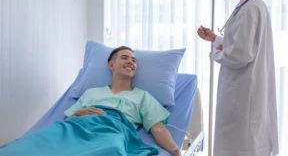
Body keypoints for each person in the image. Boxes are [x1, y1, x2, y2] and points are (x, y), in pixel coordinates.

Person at [0, 46, 181, 156]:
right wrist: (80, 112)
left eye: (134, 60)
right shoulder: (91, 92)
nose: (131, 62)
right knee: (32, 143)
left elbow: (158, 127)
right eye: (124, 58)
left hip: (113, 131)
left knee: (112, 149)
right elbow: (70, 116)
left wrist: (175, 151)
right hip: (78, 126)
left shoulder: (142, 96)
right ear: (111, 65)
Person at [197, 0, 279, 156]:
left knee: (241, 143)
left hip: (244, 91)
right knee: (241, 141)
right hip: (245, 87)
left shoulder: (250, 9)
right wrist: (216, 39)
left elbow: (239, 56)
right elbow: (242, 44)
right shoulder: (250, 5)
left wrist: (215, 53)